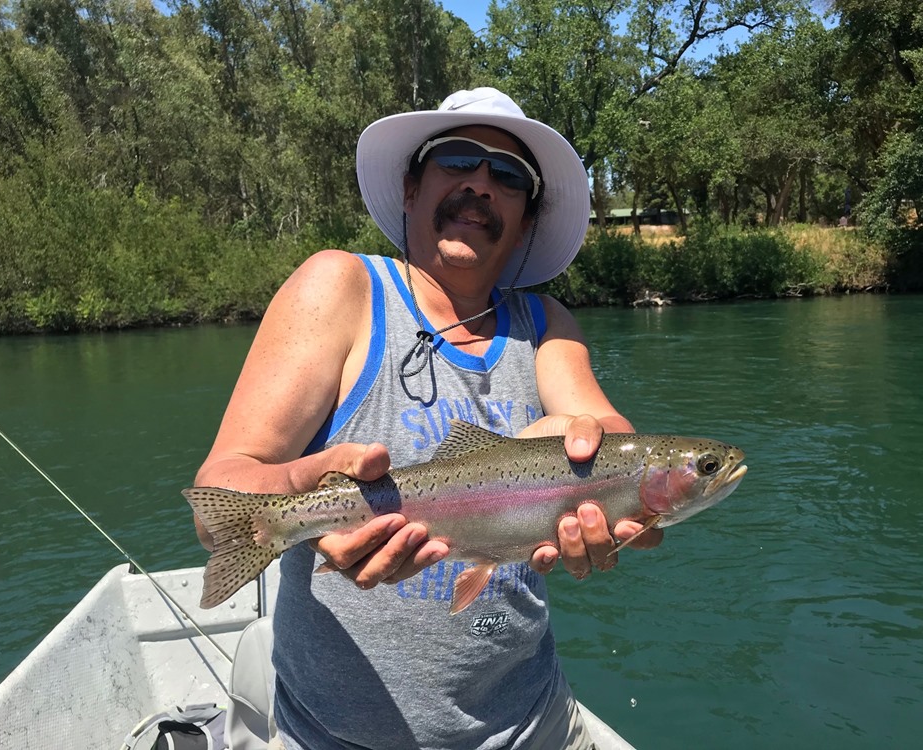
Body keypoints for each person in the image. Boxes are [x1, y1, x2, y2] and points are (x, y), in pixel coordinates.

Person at [193, 87, 663, 750]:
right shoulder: (339, 287)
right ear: (411, 187)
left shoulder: (546, 325)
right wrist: (298, 491)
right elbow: (220, 494)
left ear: (526, 218)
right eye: (457, 160)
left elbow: (602, 425)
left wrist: (599, 465)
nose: (479, 184)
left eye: (507, 177)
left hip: (532, 726)